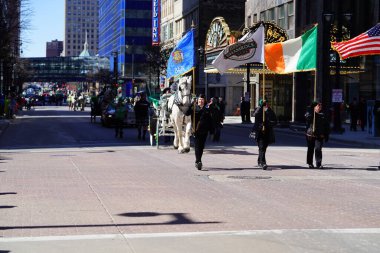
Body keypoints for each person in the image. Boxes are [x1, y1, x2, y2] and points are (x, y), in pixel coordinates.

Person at [252, 99, 277, 170]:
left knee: (263, 148)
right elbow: (255, 114)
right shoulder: (258, 109)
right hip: (259, 132)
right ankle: (263, 163)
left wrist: (268, 123)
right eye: (264, 103)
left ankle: (259, 160)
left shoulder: (269, 110)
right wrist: (260, 107)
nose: (266, 105)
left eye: (266, 103)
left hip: (267, 131)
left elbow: (275, 120)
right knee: (261, 147)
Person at [305, 101, 330, 169]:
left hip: (320, 135)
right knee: (310, 149)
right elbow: (307, 118)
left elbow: (327, 126)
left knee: (318, 149)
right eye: (318, 106)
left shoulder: (323, 115)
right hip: (311, 135)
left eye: (320, 106)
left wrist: (326, 135)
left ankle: (318, 163)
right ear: (314, 107)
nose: (319, 107)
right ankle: (310, 163)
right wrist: (311, 109)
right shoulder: (310, 114)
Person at [194, 94, 214, 170]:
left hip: (204, 130)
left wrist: (212, 131)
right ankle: (198, 161)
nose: (201, 101)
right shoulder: (194, 108)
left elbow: (210, 121)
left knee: (201, 147)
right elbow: (187, 113)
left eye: (202, 99)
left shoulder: (207, 109)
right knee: (197, 146)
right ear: (197, 101)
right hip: (196, 130)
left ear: (204, 100)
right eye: (199, 100)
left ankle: (198, 160)